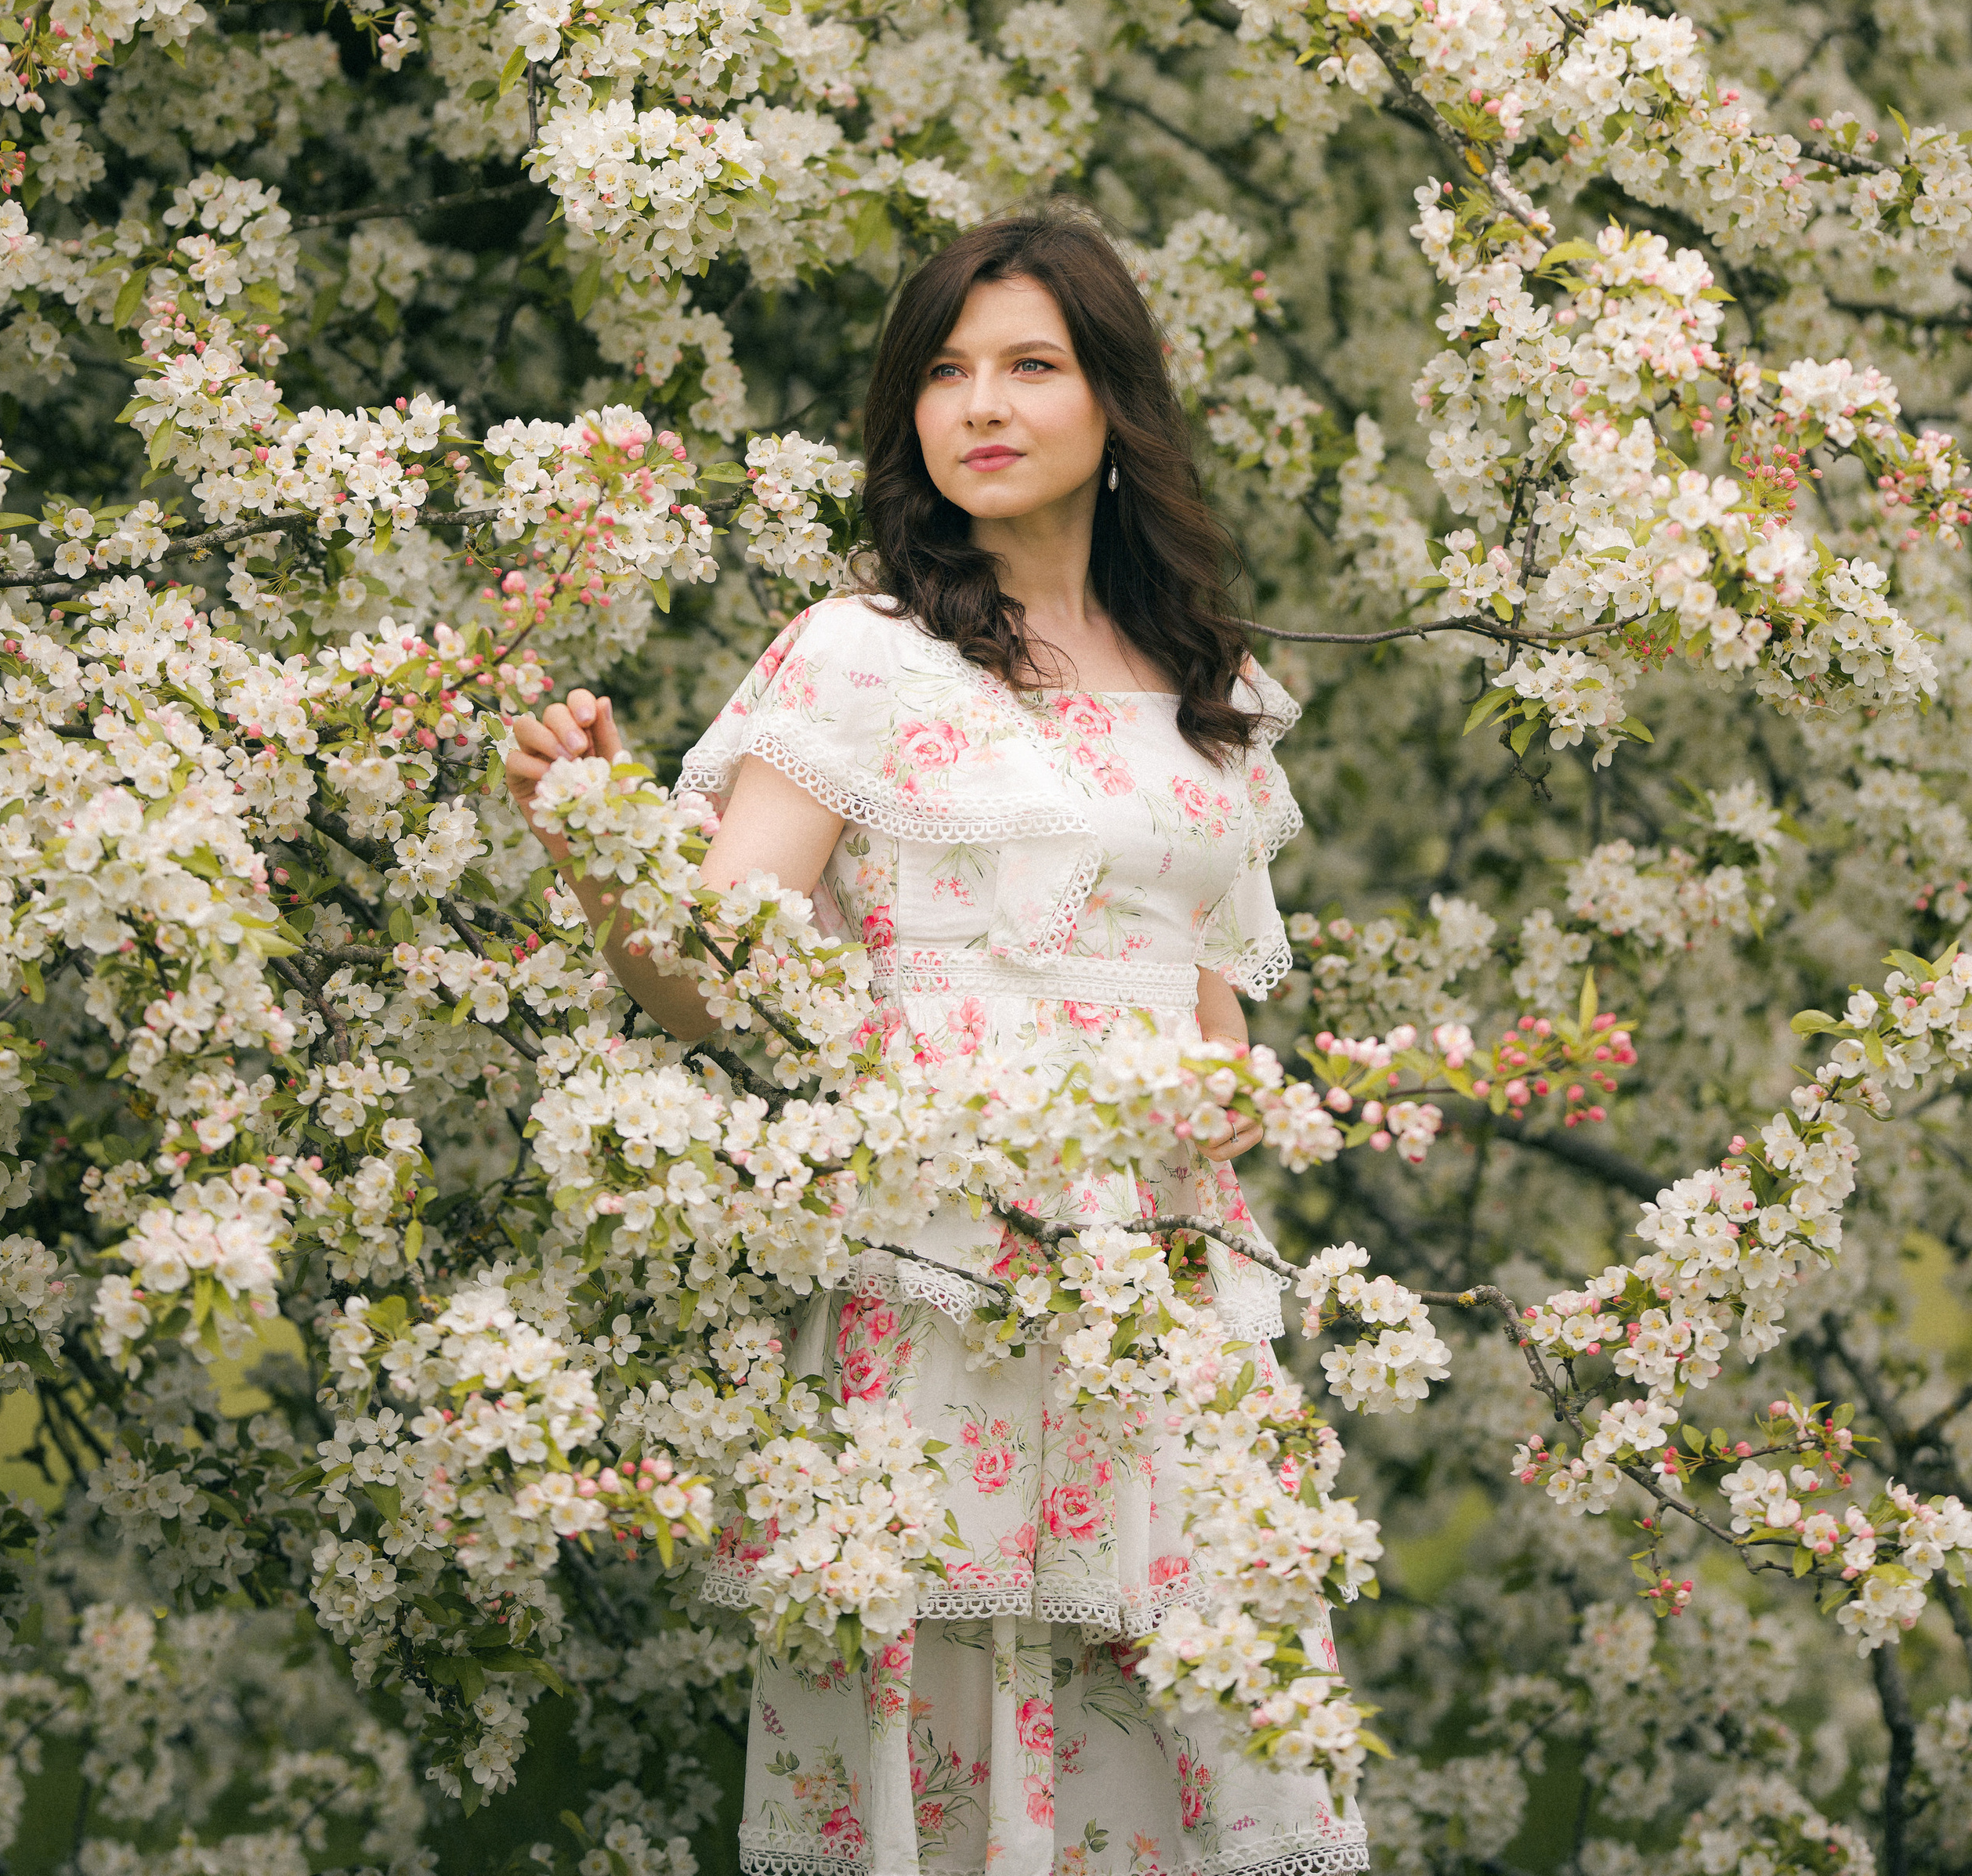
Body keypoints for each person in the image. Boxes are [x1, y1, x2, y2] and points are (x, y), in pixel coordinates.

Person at [505, 207, 1368, 1876]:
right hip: (944, 1269)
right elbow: (721, 980)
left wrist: (1226, 1099)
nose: (981, 404)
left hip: (1165, 1282)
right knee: (957, 1726)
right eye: (947, 371)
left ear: (1111, 399)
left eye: (1030, 365)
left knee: (1208, 1715)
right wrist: (595, 844)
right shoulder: (861, 656)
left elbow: (1209, 1006)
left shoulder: (1205, 684)